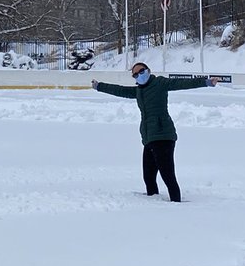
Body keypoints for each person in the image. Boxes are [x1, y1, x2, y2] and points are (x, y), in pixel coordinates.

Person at [89, 62, 216, 203]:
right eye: (135, 75)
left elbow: (181, 83)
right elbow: (120, 90)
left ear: (148, 70)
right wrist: (99, 86)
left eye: (141, 71)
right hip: (149, 138)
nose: (139, 75)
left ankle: (177, 205)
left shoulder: (160, 83)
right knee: (148, 176)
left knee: (167, 175)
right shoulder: (138, 91)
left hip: (163, 135)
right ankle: (153, 203)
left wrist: (206, 82)